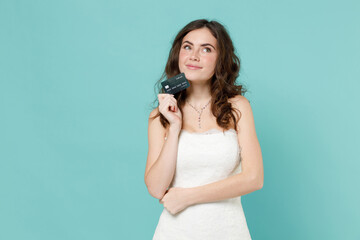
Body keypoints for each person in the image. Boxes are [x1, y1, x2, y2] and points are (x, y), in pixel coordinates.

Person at [144, 19, 264, 240]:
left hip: (228, 231)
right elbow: (156, 188)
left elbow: (254, 178)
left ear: (220, 59)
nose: (193, 56)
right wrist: (174, 126)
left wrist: (188, 197)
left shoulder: (237, 107)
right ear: (178, 54)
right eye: (187, 47)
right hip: (175, 233)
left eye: (206, 49)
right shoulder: (158, 117)